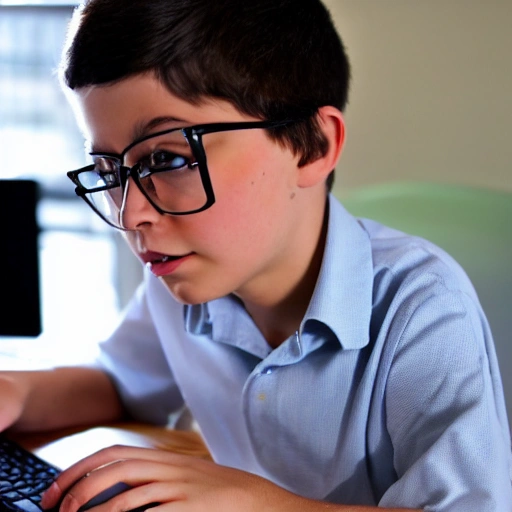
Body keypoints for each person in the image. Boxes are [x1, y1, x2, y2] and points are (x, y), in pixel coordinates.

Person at [1, 0, 511, 510]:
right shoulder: (182, 284)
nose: (131, 214)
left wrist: (253, 501)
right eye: (111, 171)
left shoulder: (421, 306)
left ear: (312, 146)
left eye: (166, 158)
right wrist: (15, 393)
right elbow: (119, 384)